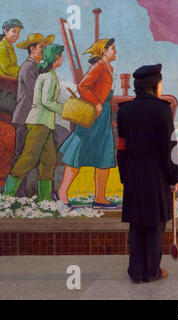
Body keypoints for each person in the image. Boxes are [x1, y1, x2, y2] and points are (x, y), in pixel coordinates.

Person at [117, 64, 178, 284]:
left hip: (134, 172)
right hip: (156, 175)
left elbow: (122, 148)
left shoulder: (124, 111)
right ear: (154, 86)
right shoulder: (162, 110)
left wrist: (125, 175)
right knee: (155, 223)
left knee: (136, 224)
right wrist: (175, 176)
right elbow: (169, 147)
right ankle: (152, 271)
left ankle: (136, 271)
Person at [57, 39, 117, 208]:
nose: (115, 52)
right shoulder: (98, 67)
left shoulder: (107, 68)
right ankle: (62, 192)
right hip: (93, 115)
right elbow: (83, 87)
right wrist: (96, 103)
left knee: (105, 154)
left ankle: (100, 198)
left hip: (103, 116)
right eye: (113, 49)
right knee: (78, 151)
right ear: (104, 51)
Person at [3, 44, 65, 201]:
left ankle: (45, 199)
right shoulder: (49, 77)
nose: (62, 58)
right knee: (29, 158)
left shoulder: (48, 74)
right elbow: (46, 101)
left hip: (45, 123)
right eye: (61, 55)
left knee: (49, 161)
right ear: (56, 58)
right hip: (39, 123)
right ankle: (8, 195)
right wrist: (65, 109)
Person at [11, 33, 54, 197]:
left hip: (34, 118)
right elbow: (37, 94)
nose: (44, 50)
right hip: (25, 117)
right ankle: (16, 196)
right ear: (32, 48)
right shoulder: (29, 68)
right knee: (23, 156)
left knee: (40, 157)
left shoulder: (36, 68)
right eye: (41, 47)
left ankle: (35, 195)